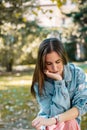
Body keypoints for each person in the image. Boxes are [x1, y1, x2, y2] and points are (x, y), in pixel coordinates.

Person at [31, 38, 87, 130]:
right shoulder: (39, 83)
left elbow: (82, 106)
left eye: (58, 62)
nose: (54, 68)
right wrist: (59, 82)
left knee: (70, 121)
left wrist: (54, 120)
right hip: (49, 124)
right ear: (43, 64)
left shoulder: (77, 74)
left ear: (63, 59)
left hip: (68, 124)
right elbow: (55, 112)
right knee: (69, 121)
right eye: (49, 63)